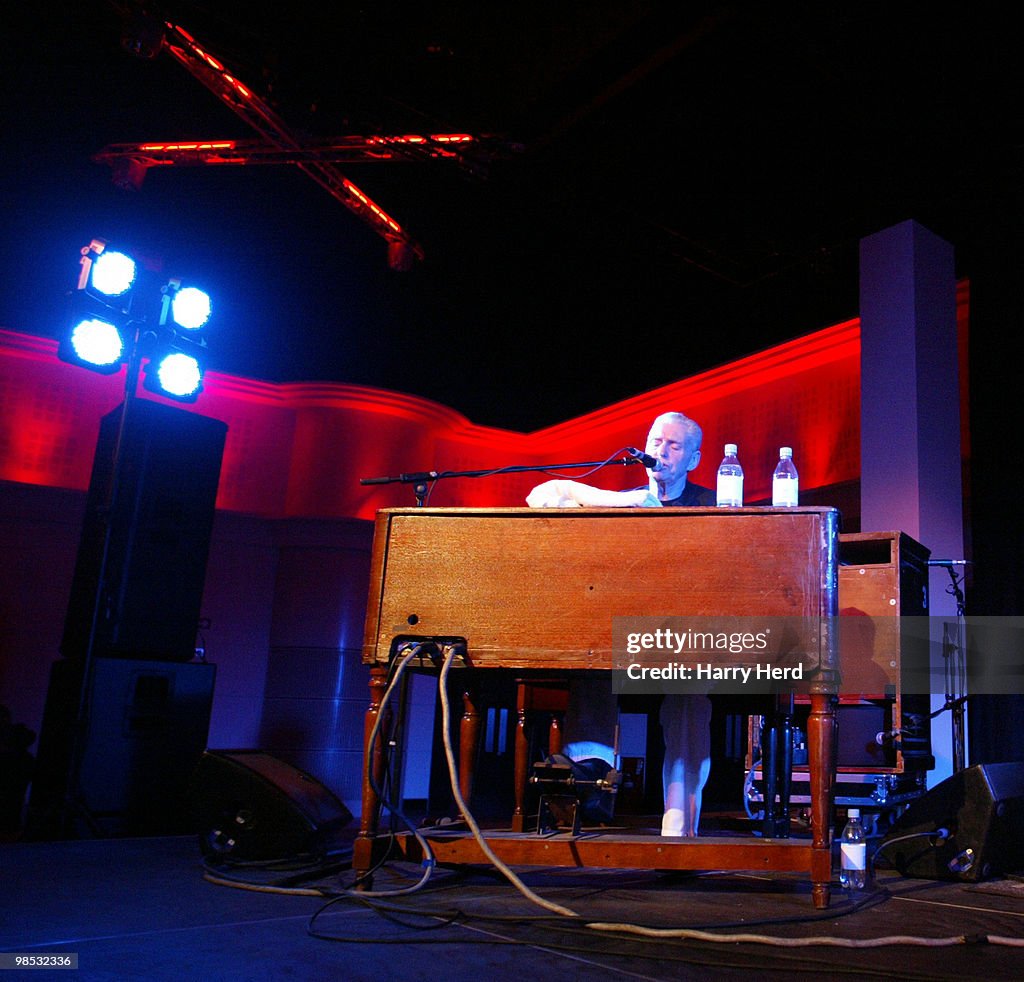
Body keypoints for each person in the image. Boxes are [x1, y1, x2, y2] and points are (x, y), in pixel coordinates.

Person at [526, 411, 715, 837]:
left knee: (690, 680)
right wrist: (621, 501)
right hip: (626, 635)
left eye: (673, 445)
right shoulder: (625, 499)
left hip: (685, 638)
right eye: (653, 441)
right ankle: (590, 789)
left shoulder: (715, 503)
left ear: (693, 459)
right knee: (591, 664)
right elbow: (540, 497)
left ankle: (678, 813)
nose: (659, 451)